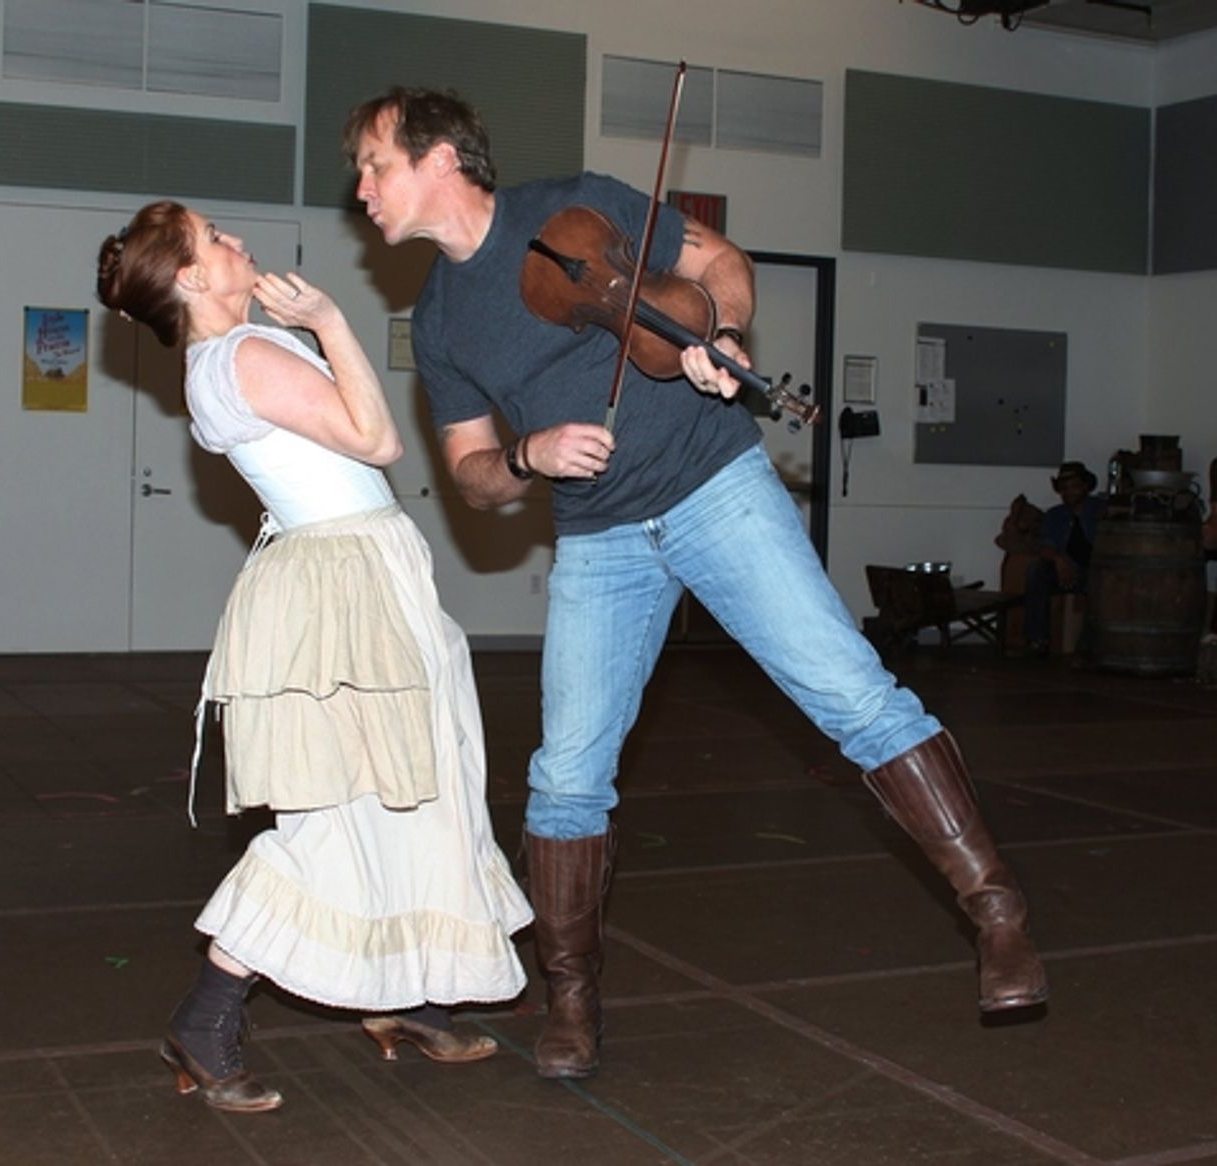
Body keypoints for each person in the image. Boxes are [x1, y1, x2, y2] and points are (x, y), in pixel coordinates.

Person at [343, 87, 1048, 1080]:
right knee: (565, 776)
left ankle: (997, 913)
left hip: (716, 489)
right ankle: (571, 998)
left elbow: (719, 263)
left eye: (374, 163)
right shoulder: (441, 319)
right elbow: (470, 473)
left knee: (853, 694)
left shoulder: (574, 206)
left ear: (442, 159)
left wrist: (721, 330)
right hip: (598, 540)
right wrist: (529, 455)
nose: (362, 186)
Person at [95, 200, 531, 1113]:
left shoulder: (229, 356)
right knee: (337, 815)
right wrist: (332, 321)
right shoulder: (241, 356)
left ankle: (405, 993)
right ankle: (206, 1017)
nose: (237, 242)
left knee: (420, 789)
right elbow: (378, 441)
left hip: (358, 569)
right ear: (191, 278)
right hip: (345, 584)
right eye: (215, 239)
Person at [1024, 461, 1107, 656]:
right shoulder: (1055, 515)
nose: (1069, 493)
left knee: (1102, 583)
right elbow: (1045, 546)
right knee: (1036, 571)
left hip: (1096, 571)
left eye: (1074, 486)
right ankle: (1037, 640)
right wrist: (1059, 560)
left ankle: (1086, 648)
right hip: (1067, 569)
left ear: (1085, 487)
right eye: (1064, 488)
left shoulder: (1100, 510)